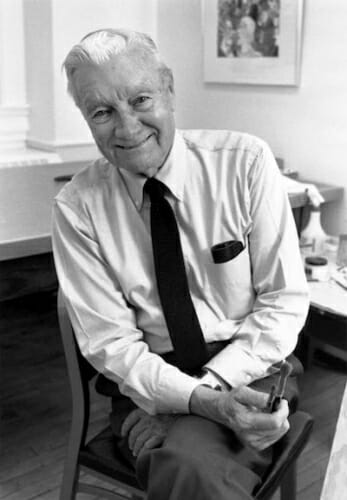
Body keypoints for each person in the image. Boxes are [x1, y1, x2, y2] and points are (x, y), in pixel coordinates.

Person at [52, 28, 309, 500]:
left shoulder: (246, 163)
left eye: (141, 98)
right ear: (86, 118)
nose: (128, 128)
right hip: (146, 382)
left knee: (188, 468)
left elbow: (283, 303)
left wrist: (196, 400)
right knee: (191, 471)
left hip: (253, 367)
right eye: (102, 111)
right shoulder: (77, 207)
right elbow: (111, 345)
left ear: (169, 89)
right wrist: (199, 402)